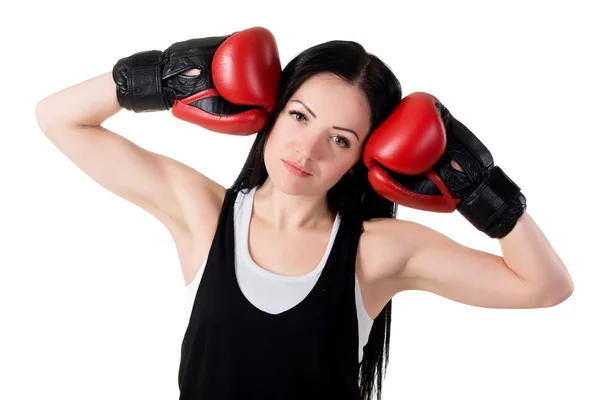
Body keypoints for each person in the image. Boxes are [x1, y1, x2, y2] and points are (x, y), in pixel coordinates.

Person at [35, 26, 574, 400]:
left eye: (339, 139)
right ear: (272, 111)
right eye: (299, 116)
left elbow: (546, 286)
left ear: (365, 159)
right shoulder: (203, 214)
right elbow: (58, 118)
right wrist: (164, 75)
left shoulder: (376, 249)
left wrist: (478, 187)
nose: (307, 150)